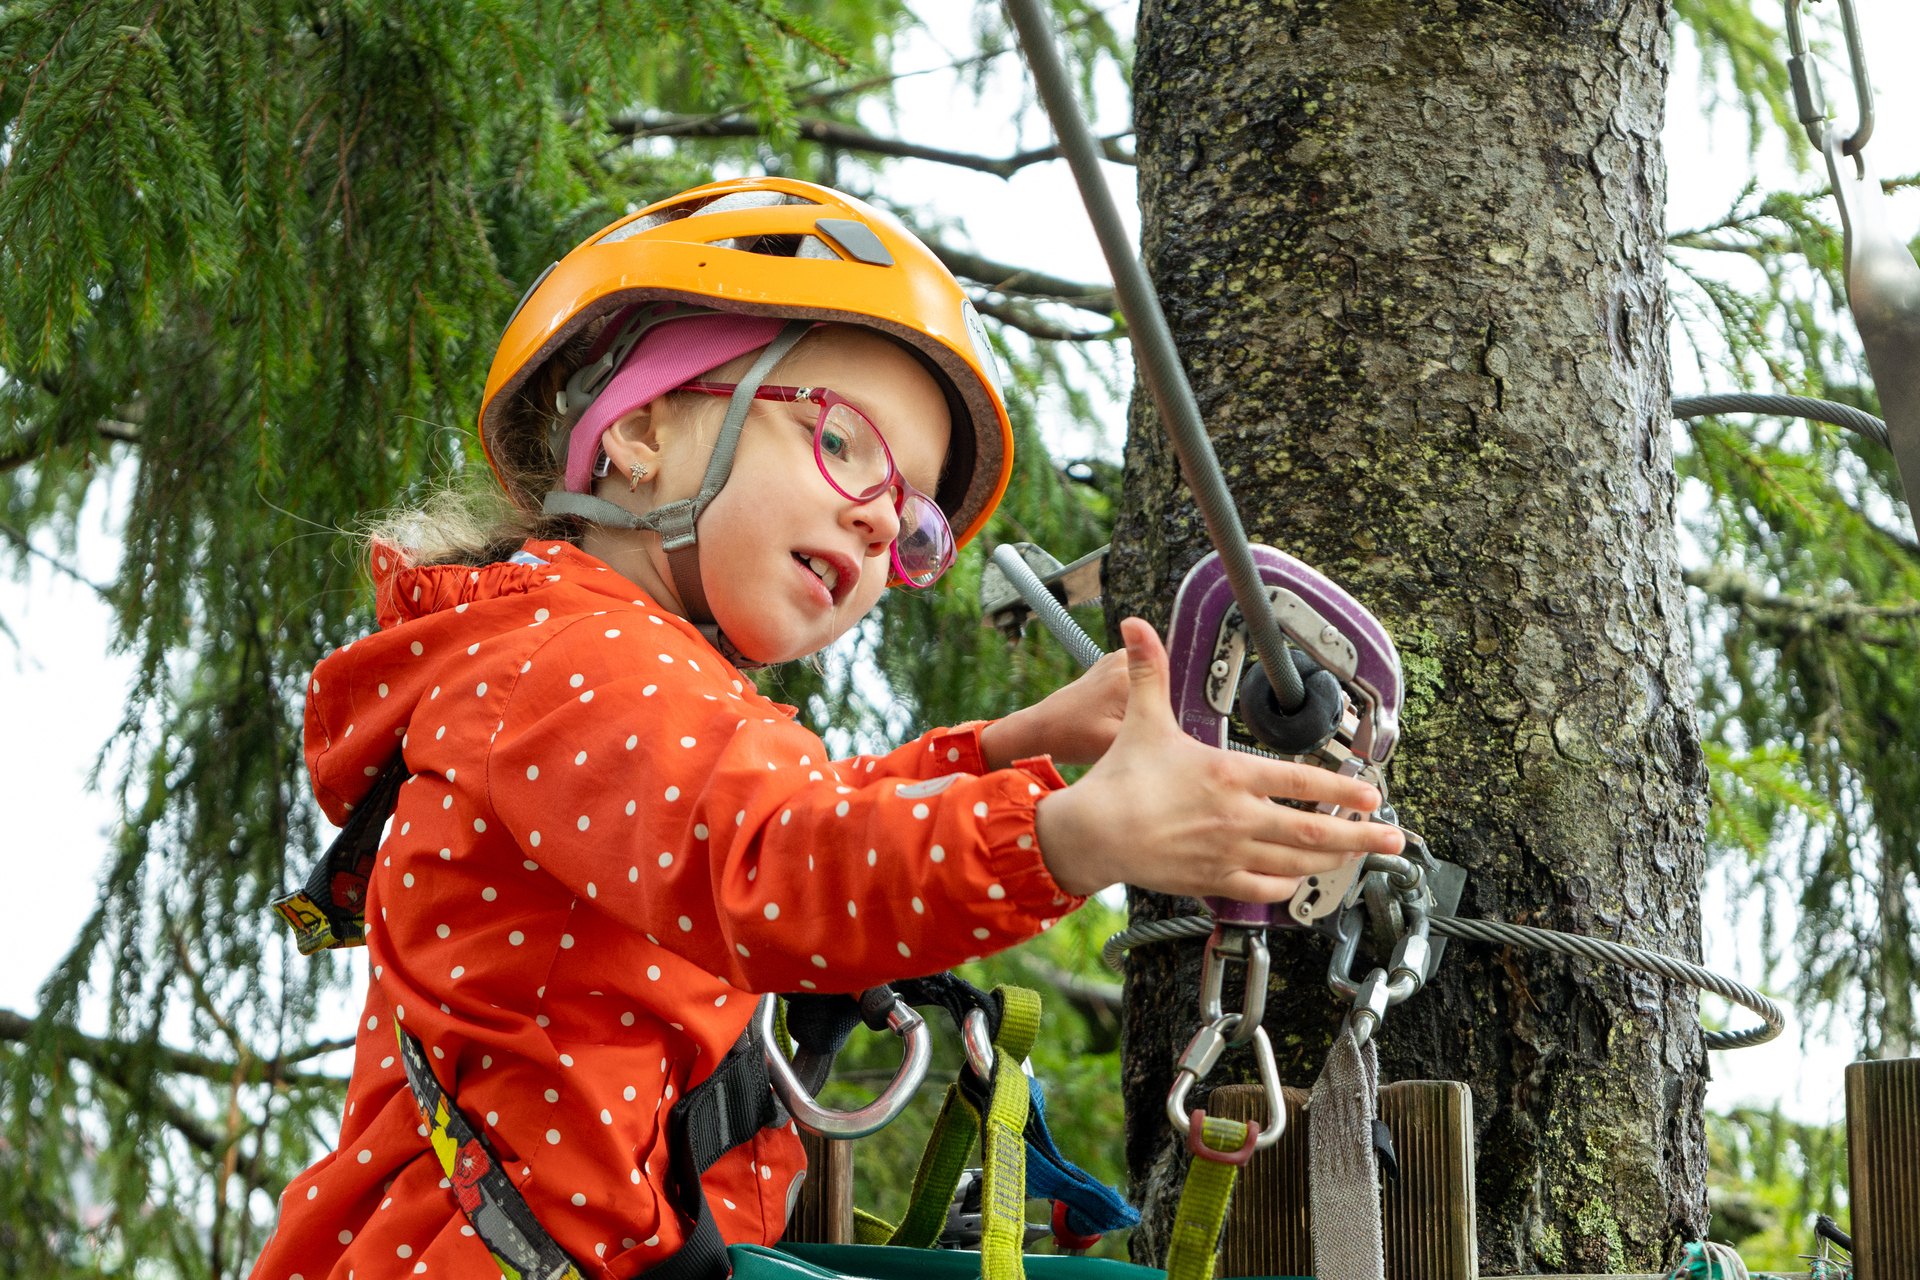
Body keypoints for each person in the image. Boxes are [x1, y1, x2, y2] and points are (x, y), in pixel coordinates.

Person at [251, 179, 1402, 1280]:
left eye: (909, 517)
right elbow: (777, 863)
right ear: (639, 429)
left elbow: (784, 816)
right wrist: (1065, 836)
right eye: (844, 440)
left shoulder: (591, 663)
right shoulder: (577, 659)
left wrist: (1011, 747)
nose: (874, 515)